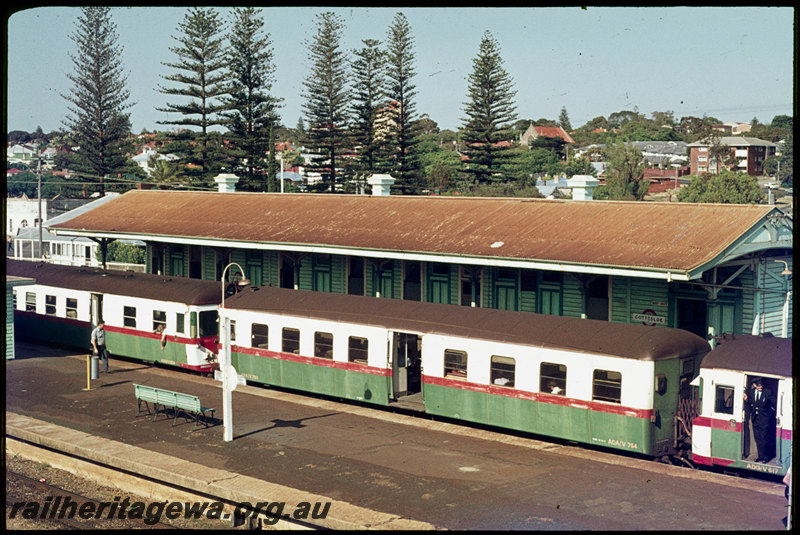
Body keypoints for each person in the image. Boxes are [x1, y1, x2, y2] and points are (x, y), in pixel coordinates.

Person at [744, 377, 775, 463]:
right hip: (755, 419)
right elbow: (752, 403)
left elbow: (774, 403)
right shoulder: (752, 392)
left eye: (761, 385)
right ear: (754, 385)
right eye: (758, 385)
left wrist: (775, 414)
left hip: (765, 419)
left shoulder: (767, 392)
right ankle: (760, 456)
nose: (760, 387)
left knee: (764, 438)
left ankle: (766, 457)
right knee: (757, 438)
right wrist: (746, 399)